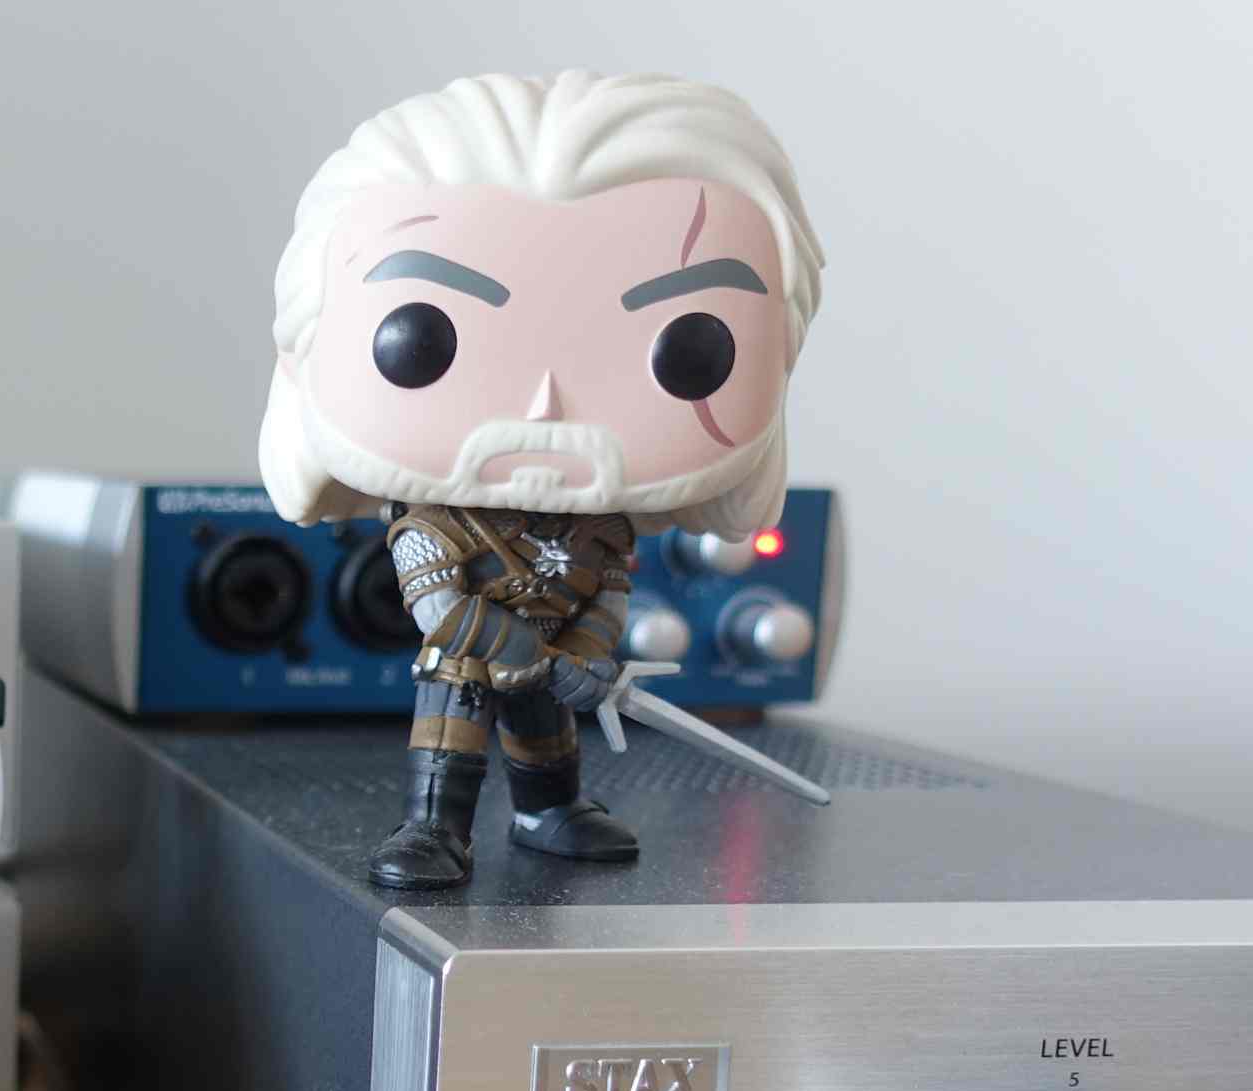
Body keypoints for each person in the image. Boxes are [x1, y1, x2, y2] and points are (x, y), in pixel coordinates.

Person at [257, 71, 826, 887]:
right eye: (421, 336)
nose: (544, 403)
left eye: (692, 350)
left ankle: (548, 808)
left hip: (557, 650)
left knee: (544, 738)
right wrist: (527, 652)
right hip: (471, 653)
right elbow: (438, 605)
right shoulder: (432, 525)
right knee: (451, 724)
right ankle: (434, 825)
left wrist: (584, 654)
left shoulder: (600, 525)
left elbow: (608, 587)